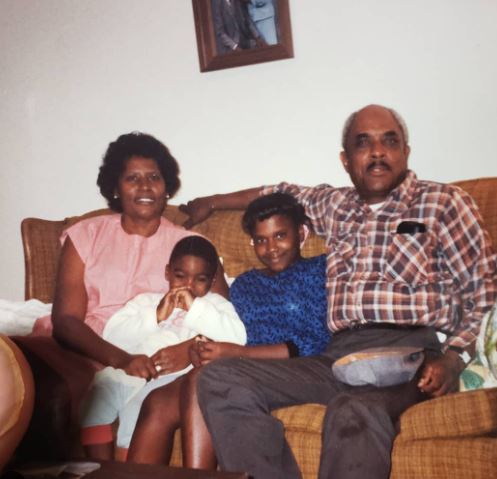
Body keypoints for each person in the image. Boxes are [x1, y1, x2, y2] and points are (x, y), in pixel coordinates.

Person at [179, 104, 497, 479]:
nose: (377, 151)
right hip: (336, 356)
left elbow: (485, 291)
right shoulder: (335, 205)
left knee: (353, 410)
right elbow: (275, 191)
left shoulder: (445, 203)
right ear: (346, 161)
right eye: (364, 143)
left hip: (406, 356)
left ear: (405, 153)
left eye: (389, 141)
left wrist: (454, 357)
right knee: (220, 379)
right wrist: (211, 202)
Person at [35, 131, 229, 459]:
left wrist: (186, 350)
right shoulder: (85, 236)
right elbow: (66, 320)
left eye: (154, 177)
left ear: (167, 187)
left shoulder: (193, 245)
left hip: (156, 353)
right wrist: (120, 359)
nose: (144, 186)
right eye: (132, 178)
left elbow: (221, 314)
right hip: (87, 349)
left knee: (133, 398)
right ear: (115, 187)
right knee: (66, 389)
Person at [127, 192, 330, 468]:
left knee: (204, 380)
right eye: (261, 239)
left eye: (280, 235)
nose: (271, 247)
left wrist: (236, 352)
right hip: (242, 368)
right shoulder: (246, 284)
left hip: (297, 368)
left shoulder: (320, 271)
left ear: (301, 233)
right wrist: (202, 348)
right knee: (157, 403)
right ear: (252, 242)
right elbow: (228, 327)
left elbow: (312, 341)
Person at [79, 236, 246, 458]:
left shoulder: (216, 306)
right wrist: (156, 315)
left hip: (171, 379)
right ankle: (99, 469)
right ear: (167, 273)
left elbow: (237, 337)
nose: (188, 286)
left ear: (213, 280)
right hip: (133, 372)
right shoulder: (147, 302)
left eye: (200, 279)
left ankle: (125, 469)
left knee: (136, 412)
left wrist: (195, 309)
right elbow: (112, 335)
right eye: (180, 276)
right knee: (95, 400)